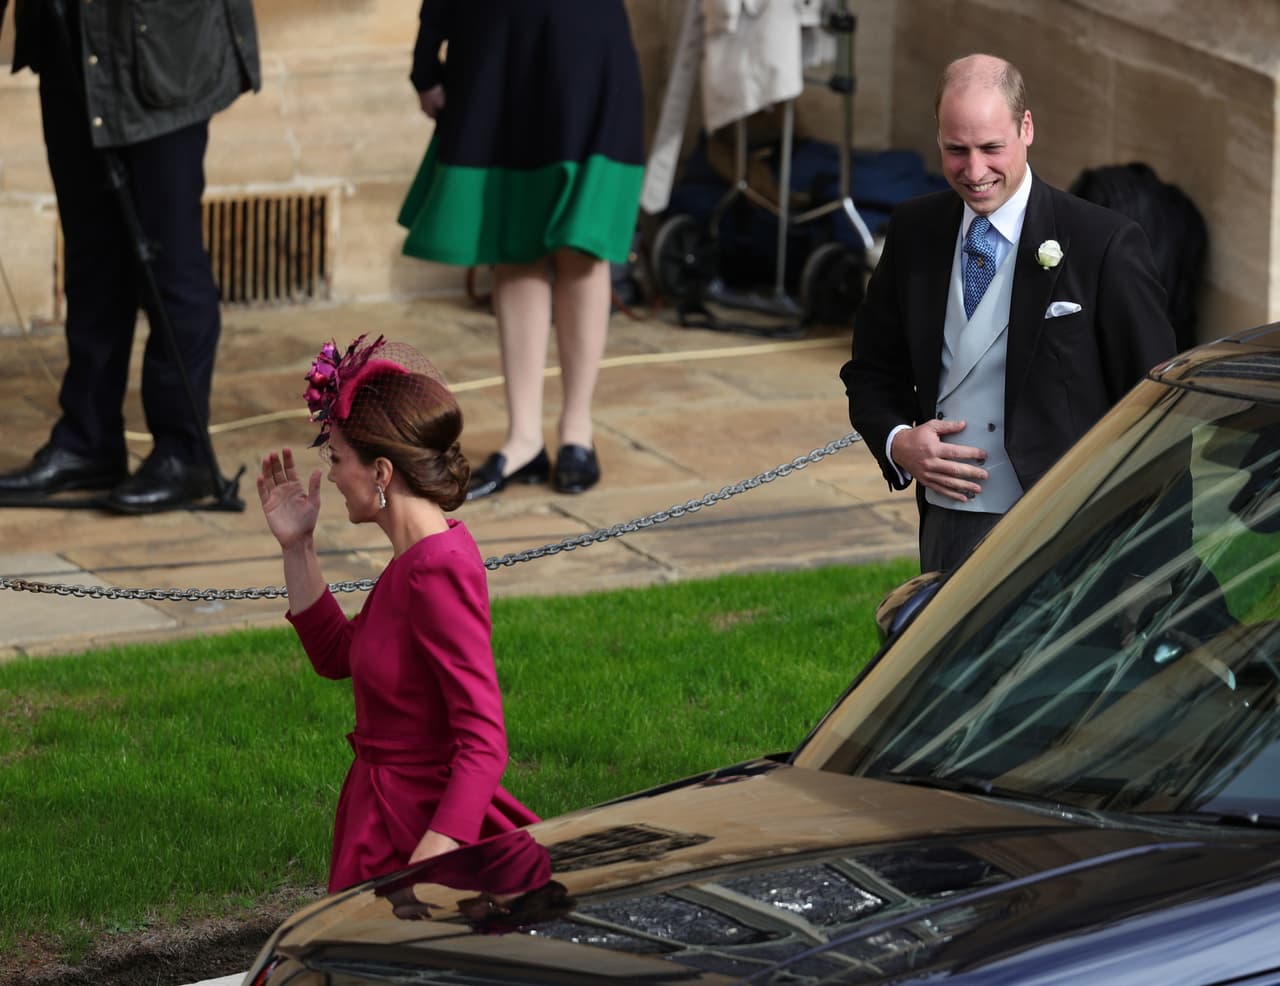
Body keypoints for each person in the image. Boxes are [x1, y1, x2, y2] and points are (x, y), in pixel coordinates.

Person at [840, 53, 1177, 573]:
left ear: (1026, 128)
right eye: (956, 150)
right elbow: (871, 371)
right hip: (952, 522)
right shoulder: (913, 230)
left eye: (991, 148)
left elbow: (1159, 402)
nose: (975, 172)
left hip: (1073, 527)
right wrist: (898, 441)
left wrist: (1163, 546)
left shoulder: (1103, 242)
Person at [257, 334, 538, 893]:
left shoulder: (436, 570)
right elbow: (338, 656)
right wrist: (298, 547)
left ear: (381, 472)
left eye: (338, 459)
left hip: (413, 824)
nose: (332, 475)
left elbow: (484, 738)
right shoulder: (414, 558)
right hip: (381, 811)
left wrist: (440, 844)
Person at [0, 0, 258, 512]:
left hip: (161, 51)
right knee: (92, 259)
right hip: (68, 41)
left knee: (169, 262)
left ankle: (183, 453)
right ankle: (88, 441)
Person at [396, 1, 645, 499]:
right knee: (513, 245)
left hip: (586, 43)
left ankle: (577, 431)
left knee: (582, 245)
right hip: (496, 46)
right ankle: (525, 438)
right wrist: (426, 59)